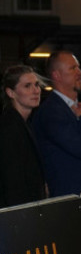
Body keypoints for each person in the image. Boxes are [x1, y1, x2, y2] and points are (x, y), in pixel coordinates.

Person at [31, 50, 81, 196]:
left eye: (78, 67)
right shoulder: (51, 112)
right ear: (56, 75)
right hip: (72, 202)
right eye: (73, 68)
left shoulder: (73, 108)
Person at [0, 65, 47, 208]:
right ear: (11, 93)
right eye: (27, 86)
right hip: (19, 215)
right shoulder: (9, 127)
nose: (36, 91)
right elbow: (12, 182)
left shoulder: (22, 123)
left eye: (37, 85)